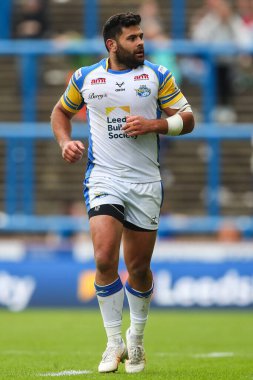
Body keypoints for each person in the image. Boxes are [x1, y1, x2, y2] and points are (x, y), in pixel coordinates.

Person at [51, 12, 194, 374]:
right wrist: (65, 141)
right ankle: (113, 343)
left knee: (139, 268)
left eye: (141, 36)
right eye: (132, 38)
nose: (141, 42)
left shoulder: (157, 76)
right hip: (104, 178)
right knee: (103, 259)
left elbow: (188, 118)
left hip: (145, 183)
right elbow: (60, 112)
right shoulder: (86, 78)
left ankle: (137, 339)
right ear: (112, 45)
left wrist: (155, 124)